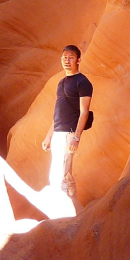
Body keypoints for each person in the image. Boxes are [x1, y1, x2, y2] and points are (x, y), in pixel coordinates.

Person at [42, 44, 93, 213]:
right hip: (58, 134)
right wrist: (49, 136)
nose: (67, 60)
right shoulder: (61, 82)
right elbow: (58, 111)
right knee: (66, 175)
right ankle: (76, 213)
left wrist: (76, 136)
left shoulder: (83, 82)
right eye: (64, 57)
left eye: (71, 57)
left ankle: (61, 217)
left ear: (78, 60)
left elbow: (84, 112)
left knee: (57, 177)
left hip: (69, 135)